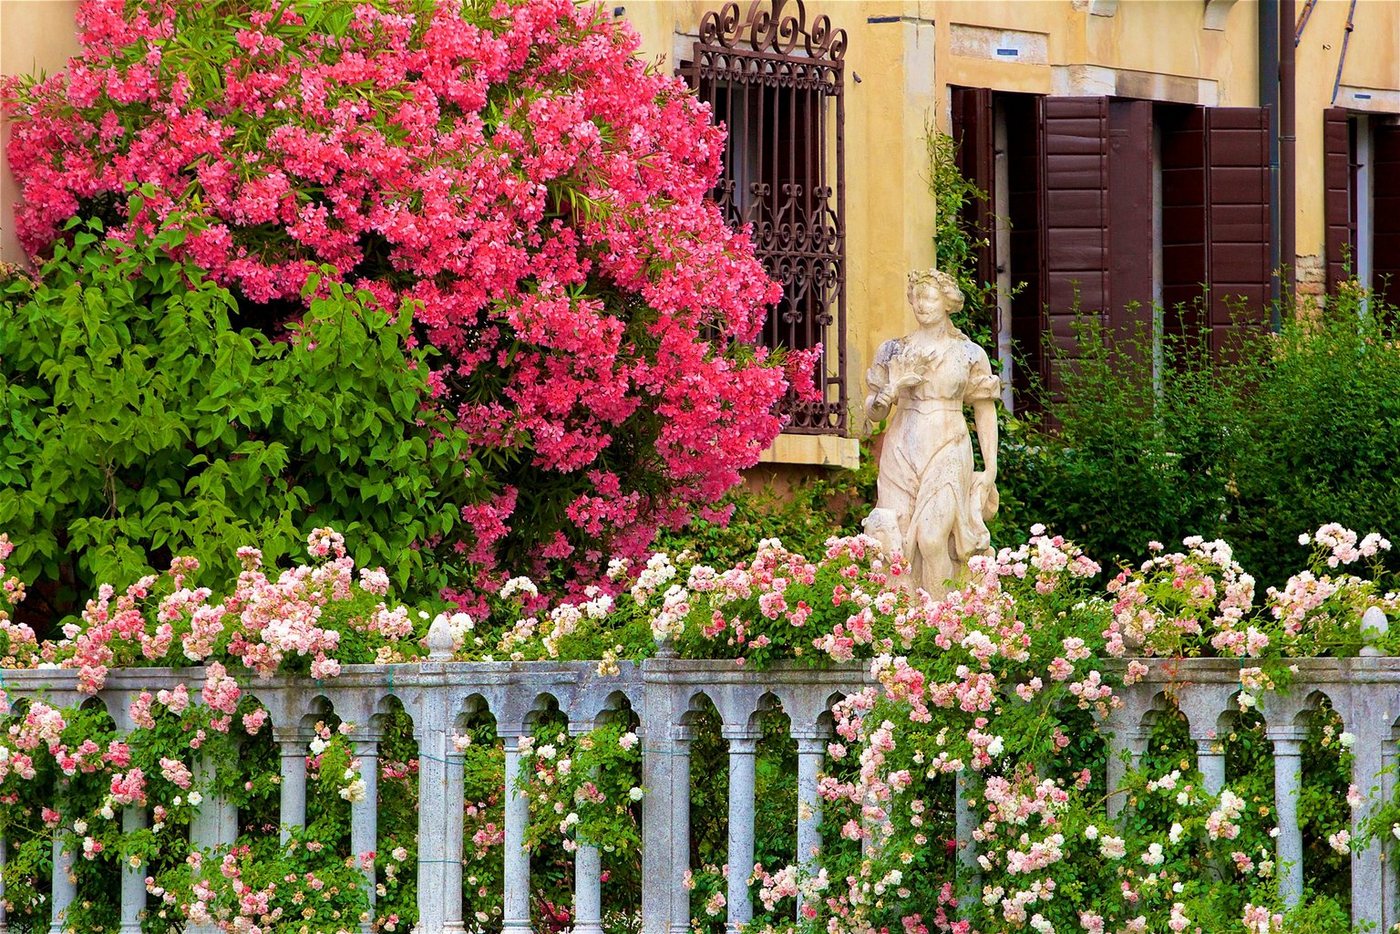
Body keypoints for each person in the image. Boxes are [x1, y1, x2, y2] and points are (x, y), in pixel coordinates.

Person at [863, 269, 1001, 596]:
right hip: (902, 449)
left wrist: (990, 467)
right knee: (893, 538)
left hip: (949, 446)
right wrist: (886, 395)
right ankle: (902, 614)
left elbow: (984, 409)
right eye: (917, 298)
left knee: (931, 537)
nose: (922, 305)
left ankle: (941, 619)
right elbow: (874, 412)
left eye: (930, 297)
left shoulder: (969, 354)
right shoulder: (893, 351)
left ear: (947, 302)